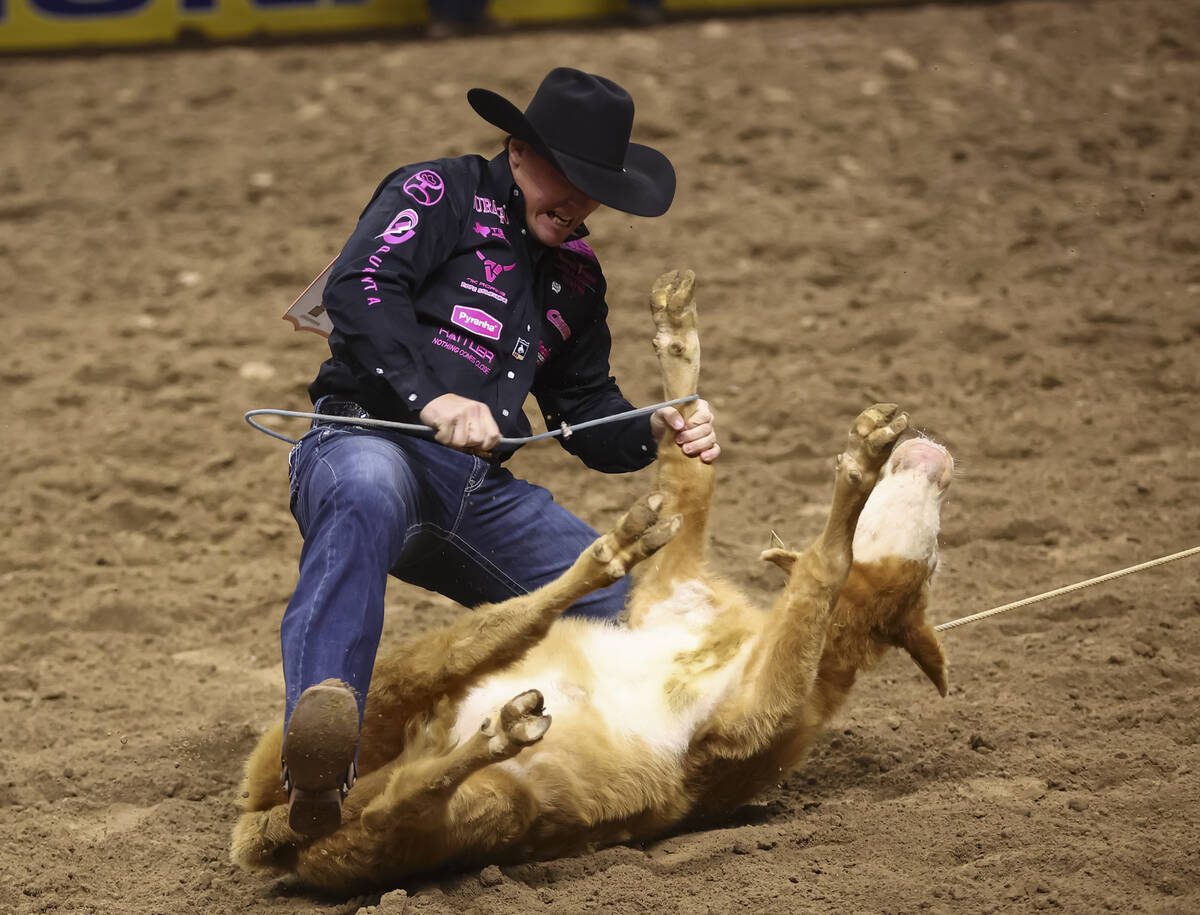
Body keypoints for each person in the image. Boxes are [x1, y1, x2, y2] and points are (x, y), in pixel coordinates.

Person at [278, 67, 720, 838]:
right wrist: (432, 397)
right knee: (365, 496)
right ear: (518, 149)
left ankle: (641, 759)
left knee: (628, 605)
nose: (579, 203)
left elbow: (583, 409)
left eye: (594, 189)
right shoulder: (437, 193)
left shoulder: (579, 277)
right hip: (364, 438)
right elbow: (361, 286)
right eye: (569, 178)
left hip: (476, 492)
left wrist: (651, 427)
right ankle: (319, 761)